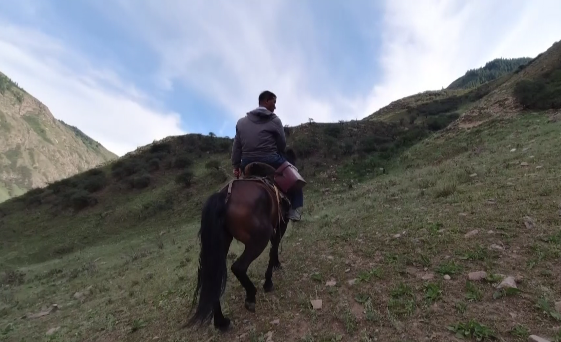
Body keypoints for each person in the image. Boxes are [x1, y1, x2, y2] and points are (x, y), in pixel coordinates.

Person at [231, 90, 303, 221]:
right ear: (266, 101)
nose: (275, 107)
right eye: (274, 102)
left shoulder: (241, 122)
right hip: (271, 159)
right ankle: (295, 210)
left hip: (246, 162)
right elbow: (282, 144)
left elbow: (237, 146)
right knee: (294, 174)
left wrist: (236, 165)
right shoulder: (274, 120)